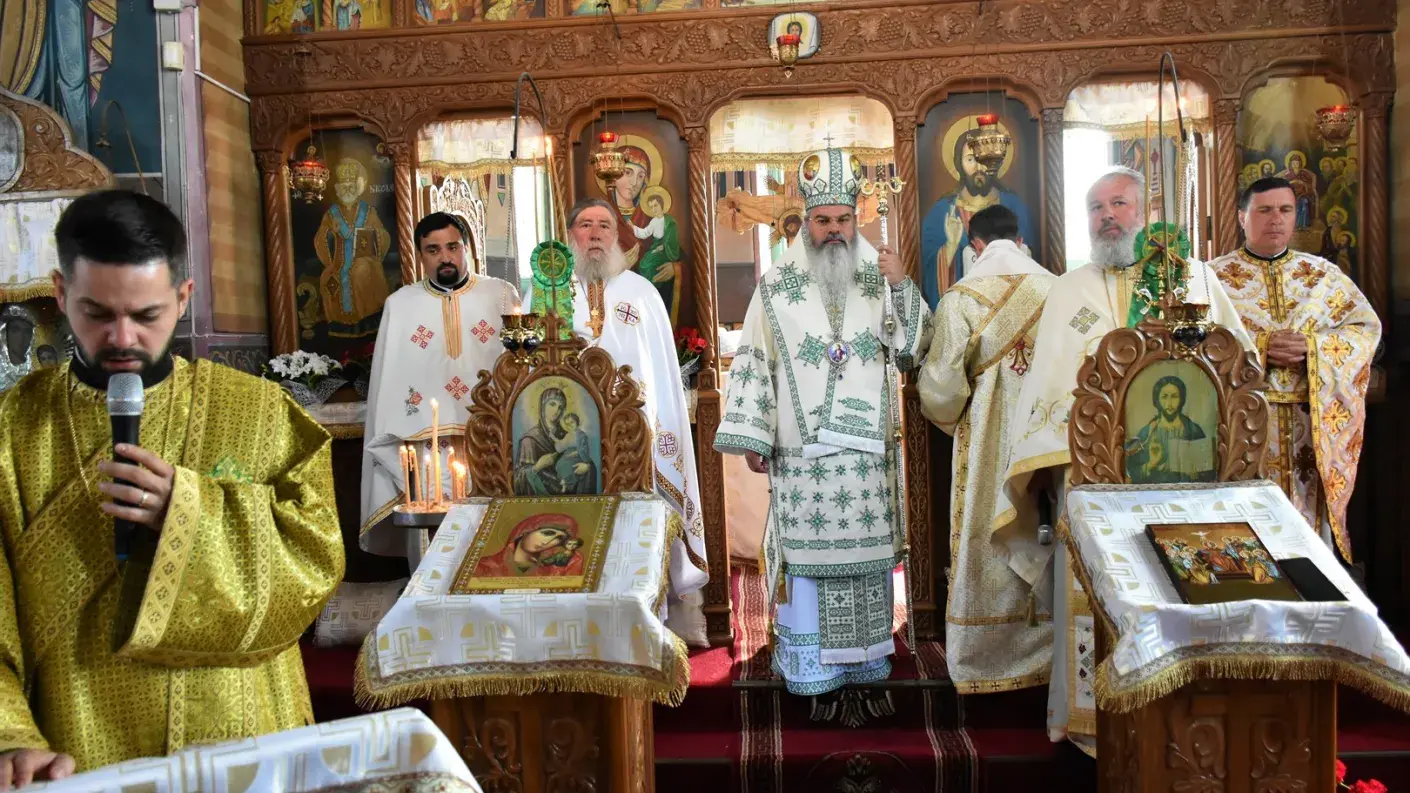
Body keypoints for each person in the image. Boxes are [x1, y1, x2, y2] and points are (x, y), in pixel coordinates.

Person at [0, 190, 344, 782]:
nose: (122, 337)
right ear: (60, 293)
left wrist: (187, 512)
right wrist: (9, 737)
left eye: (146, 315)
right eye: (97, 314)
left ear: (183, 298)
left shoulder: (260, 413)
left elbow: (316, 561)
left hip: (242, 732)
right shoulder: (13, 430)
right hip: (76, 739)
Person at [994, 168, 1252, 752]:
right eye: (1096, 207)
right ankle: (1091, 724)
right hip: (1091, 476)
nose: (1107, 215)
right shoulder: (1069, 290)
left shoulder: (1189, 275)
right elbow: (1047, 386)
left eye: (1119, 203)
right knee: (1092, 595)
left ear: (1145, 210)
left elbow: (1237, 364)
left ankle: (1186, 725)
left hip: (1184, 478)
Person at [715, 145, 932, 697]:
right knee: (808, 566)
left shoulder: (880, 278)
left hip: (864, 459)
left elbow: (911, 350)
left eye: (843, 219)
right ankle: (812, 666)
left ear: (856, 220)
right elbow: (754, 359)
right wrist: (754, 434)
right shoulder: (776, 286)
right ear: (806, 221)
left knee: (864, 559)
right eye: (822, 220)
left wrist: (902, 285)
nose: (834, 230)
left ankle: (863, 660)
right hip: (802, 454)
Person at [523, 197, 709, 646]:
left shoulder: (641, 293)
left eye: (604, 225)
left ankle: (647, 625)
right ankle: (569, 629)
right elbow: (524, 369)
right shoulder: (544, 292)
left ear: (617, 236)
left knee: (634, 531)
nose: (595, 233)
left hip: (634, 443)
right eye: (585, 225)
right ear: (570, 235)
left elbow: (660, 372)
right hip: (565, 446)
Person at [916, 204, 1054, 694]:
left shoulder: (961, 297)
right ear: (1019, 240)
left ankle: (986, 658)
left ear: (975, 245)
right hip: (1049, 440)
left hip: (988, 440)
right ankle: (1050, 650)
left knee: (986, 527)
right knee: (1045, 528)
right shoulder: (1057, 289)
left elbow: (941, 389)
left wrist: (954, 416)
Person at [1210, 177, 1380, 561]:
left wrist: (1313, 348)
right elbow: (1193, 343)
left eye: (1286, 210)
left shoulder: (1323, 276)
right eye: (1264, 210)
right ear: (1242, 217)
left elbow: (1364, 330)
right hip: (1243, 422)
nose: (1276, 219)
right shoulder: (1212, 279)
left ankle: (1311, 585)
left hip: (1311, 422)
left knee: (1308, 526)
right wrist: (1260, 349)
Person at [360, 212, 517, 564]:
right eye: (433, 250)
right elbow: (389, 379)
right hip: (425, 446)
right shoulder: (401, 305)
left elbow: (518, 366)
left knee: (494, 533)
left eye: (453, 247)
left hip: (490, 439)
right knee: (434, 540)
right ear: (420, 255)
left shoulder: (501, 295)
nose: (445, 257)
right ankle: (428, 591)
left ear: (467, 248)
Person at [920, 128, 1036, 305]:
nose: (978, 168)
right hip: (963, 307)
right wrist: (950, 246)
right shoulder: (943, 211)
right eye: (970, 160)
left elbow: (1030, 261)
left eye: (984, 160)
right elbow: (928, 269)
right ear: (959, 164)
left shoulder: (1014, 206)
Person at [314, 158, 392, 328]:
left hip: (365, 260)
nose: (348, 190)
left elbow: (383, 236)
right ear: (337, 189)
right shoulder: (331, 214)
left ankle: (366, 320)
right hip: (338, 262)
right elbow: (320, 238)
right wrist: (331, 233)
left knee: (360, 272)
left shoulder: (368, 212)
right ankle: (338, 322)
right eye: (344, 187)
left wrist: (373, 235)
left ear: (358, 188)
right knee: (327, 277)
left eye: (351, 186)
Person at [1123, 375, 1215, 484]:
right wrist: (1151, 464)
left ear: (1182, 399)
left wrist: (1196, 473)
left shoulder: (1194, 431)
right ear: (1157, 400)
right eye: (1164, 397)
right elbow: (1131, 475)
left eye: (1174, 397)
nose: (1169, 403)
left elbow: (1209, 475)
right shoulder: (1147, 433)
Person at [0, 303, 36, 393]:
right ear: (5, 334)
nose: (21, 337)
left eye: (27, 332)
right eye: (15, 330)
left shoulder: (36, 369)